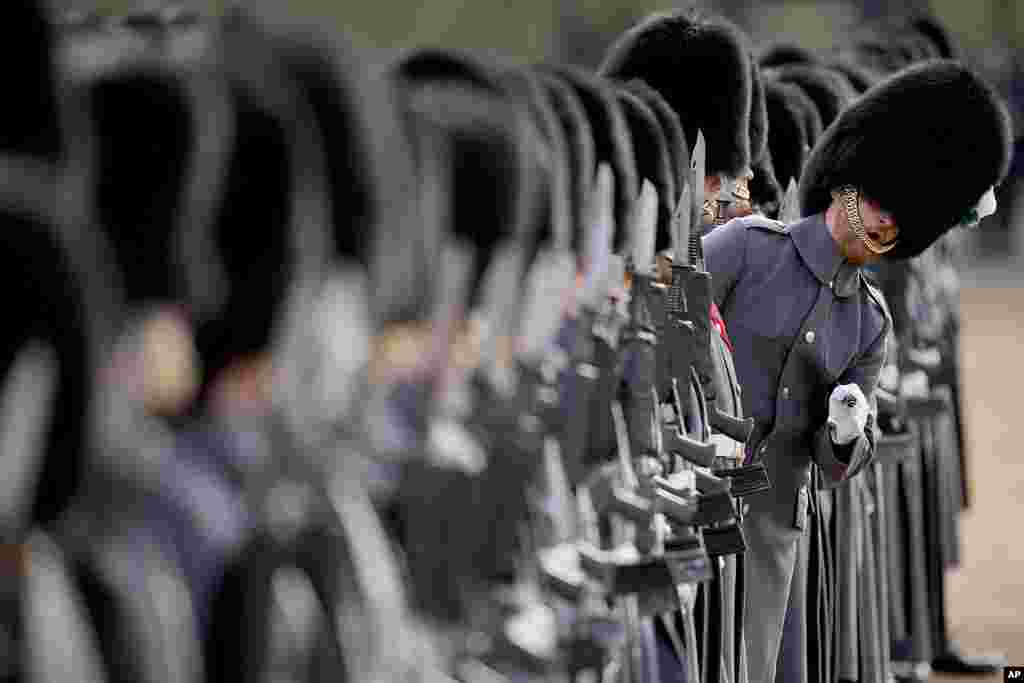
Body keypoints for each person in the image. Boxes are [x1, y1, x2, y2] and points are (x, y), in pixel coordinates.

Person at [702, 60, 1012, 683]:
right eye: (875, 201)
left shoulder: (871, 325)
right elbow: (677, 338)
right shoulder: (746, 248)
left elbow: (838, 461)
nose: (881, 223)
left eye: (899, 220)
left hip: (773, 523)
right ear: (848, 179)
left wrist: (846, 433)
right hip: (705, 500)